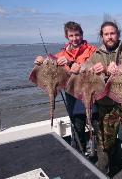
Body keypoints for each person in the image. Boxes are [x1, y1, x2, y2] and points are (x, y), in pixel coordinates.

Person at [34, 21, 97, 153]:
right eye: (71, 36)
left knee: (96, 124)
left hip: (90, 93)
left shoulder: (92, 50)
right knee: (77, 128)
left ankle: (97, 150)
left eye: (77, 35)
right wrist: (40, 61)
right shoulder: (61, 54)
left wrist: (73, 62)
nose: (75, 38)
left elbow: (93, 64)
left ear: (82, 34)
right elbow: (49, 63)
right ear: (67, 37)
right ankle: (80, 153)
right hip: (73, 96)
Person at [86, 20, 122, 175]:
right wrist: (92, 70)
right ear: (102, 36)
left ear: (118, 34)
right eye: (106, 34)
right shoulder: (96, 55)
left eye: (112, 33)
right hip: (105, 105)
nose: (110, 37)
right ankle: (103, 172)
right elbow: (84, 70)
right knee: (105, 142)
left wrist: (120, 69)